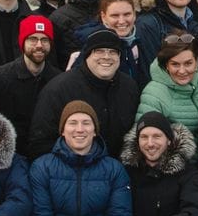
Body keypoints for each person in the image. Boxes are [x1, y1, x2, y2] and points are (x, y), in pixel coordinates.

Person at [25, 27, 140, 161]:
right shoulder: (59, 89)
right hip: (69, 172)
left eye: (113, 52)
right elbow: (40, 143)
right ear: (87, 55)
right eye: (99, 51)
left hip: (116, 171)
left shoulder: (129, 87)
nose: (106, 57)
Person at [135, 32, 198, 138]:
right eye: (175, 64)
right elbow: (145, 139)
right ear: (166, 65)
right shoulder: (154, 94)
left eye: (188, 63)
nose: (182, 71)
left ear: (197, 62)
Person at [0, 14, 56, 139]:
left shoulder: (57, 79)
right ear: (22, 42)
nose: (39, 45)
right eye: (33, 39)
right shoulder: (1, 77)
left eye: (44, 40)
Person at [84, 0, 163, 86]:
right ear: (103, 17)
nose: (121, 21)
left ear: (134, 14)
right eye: (115, 15)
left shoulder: (142, 40)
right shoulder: (91, 45)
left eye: (127, 14)